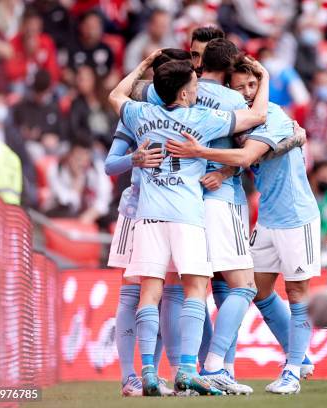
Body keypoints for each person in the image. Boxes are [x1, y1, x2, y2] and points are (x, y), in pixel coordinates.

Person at [107, 51, 269, 396]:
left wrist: (142, 65)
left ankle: (149, 373)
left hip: (148, 216)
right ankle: (185, 370)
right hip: (187, 216)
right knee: (196, 289)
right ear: (183, 93)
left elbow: (115, 96)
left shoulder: (140, 113)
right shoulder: (202, 119)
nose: (198, 88)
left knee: (149, 293)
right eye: (194, 85)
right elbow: (257, 114)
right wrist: (263, 77)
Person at [165, 55, 320, 394]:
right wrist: (224, 170)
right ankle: (300, 358)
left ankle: (290, 371)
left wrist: (199, 153)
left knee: (296, 293)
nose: (247, 92)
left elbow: (248, 157)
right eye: (240, 87)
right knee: (258, 290)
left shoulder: (275, 115)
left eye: (253, 85)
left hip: (297, 217)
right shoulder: (243, 123)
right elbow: (246, 158)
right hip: (267, 219)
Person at [141, 38, 257, 394]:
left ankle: (176, 370)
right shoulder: (226, 103)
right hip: (216, 200)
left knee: (185, 288)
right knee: (238, 286)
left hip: (168, 204)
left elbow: (123, 97)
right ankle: (213, 365)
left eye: (195, 56)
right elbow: (257, 122)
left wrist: (147, 65)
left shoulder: (150, 101)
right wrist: (263, 80)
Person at [104, 48, 191, 398]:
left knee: (167, 294)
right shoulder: (136, 111)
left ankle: (153, 374)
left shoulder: (191, 109)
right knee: (132, 292)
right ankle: (130, 377)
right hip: (135, 212)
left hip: (171, 214)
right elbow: (111, 166)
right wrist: (134, 158)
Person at [42, 138, 112, 224]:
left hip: (90, 214)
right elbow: (66, 201)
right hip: (62, 211)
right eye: (78, 158)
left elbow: (104, 199)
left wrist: (89, 215)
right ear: (69, 156)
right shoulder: (56, 169)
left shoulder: (98, 169)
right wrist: (78, 182)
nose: (82, 163)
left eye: (86, 159)